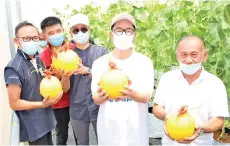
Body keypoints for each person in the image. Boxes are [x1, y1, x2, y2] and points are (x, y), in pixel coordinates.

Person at [153, 35, 230, 146]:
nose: (188, 60)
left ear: (204, 56)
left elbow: (218, 120)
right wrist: (168, 118)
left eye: (194, 54)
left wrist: (201, 129)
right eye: (184, 55)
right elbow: (157, 107)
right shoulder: (167, 78)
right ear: (177, 56)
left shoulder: (215, 84)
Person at [91, 12, 154, 145]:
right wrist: (103, 95)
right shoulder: (100, 63)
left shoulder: (144, 62)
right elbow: (96, 99)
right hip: (109, 132)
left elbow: (145, 97)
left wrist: (130, 93)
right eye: (119, 30)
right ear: (111, 34)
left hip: (136, 133)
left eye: (128, 31)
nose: (124, 34)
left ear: (134, 35)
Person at [4, 21, 63, 145]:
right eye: (26, 38)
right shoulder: (14, 67)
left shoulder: (37, 59)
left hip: (46, 118)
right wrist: (41, 104)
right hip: (34, 125)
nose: (32, 41)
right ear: (17, 41)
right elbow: (14, 103)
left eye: (35, 38)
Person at [61, 13, 109, 145]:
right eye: (76, 30)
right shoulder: (66, 56)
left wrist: (87, 71)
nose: (80, 32)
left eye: (84, 29)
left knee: (104, 141)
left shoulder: (102, 52)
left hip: (99, 106)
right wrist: (65, 77)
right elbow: (65, 88)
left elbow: (109, 79)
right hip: (77, 108)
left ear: (89, 30)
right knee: (82, 142)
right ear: (71, 33)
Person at [39, 16, 78, 145]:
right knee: (62, 135)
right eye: (50, 33)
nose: (56, 35)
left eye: (58, 31)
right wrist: (61, 77)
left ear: (63, 30)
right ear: (44, 36)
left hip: (78, 100)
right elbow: (50, 86)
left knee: (80, 134)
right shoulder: (43, 57)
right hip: (60, 103)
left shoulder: (74, 48)